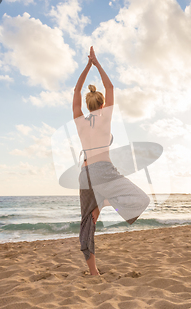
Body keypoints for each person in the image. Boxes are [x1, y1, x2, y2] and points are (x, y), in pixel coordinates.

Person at [73, 46, 150, 275]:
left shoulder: (80, 121)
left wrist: (87, 66)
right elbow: (110, 86)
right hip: (103, 171)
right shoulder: (105, 118)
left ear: (87, 105)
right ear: (102, 104)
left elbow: (77, 90)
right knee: (140, 199)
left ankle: (94, 272)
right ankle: (106, 202)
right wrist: (97, 63)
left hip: (85, 174)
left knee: (87, 221)